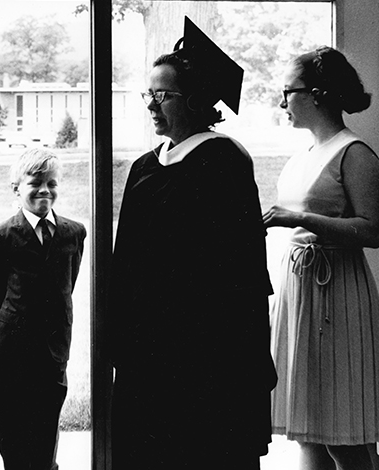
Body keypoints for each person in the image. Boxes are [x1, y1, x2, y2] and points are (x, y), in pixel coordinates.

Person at [109, 17, 275, 469]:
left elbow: (239, 272)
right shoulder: (145, 166)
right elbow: (124, 261)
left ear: (198, 100)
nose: (151, 105)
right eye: (149, 95)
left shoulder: (223, 162)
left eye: (162, 96)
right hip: (147, 347)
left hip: (204, 350)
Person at [264, 46, 379, 470]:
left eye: (288, 92)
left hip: (339, 296)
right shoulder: (304, 154)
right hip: (301, 293)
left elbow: (372, 231)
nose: (283, 102)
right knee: (308, 430)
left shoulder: (354, 153)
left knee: (342, 435)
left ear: (316, 94)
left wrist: (298, 218)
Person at [0, 148, 86, 470]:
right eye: (35, 183)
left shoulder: (73, 232)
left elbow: (67, 284)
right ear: (17, 189)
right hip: (16, 349)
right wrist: (18, 321)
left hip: (54, 349)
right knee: (14, 434)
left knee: (46, 432)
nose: (45, 190)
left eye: (52, 183)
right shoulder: (2, 236)